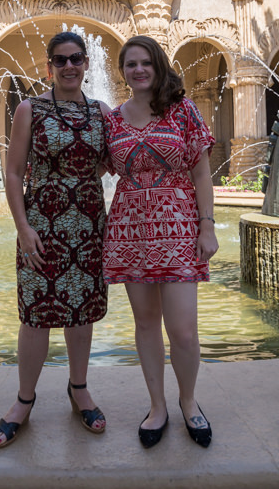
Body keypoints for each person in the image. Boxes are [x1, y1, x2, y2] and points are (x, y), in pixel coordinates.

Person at [0, 27, 112, 448]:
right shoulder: (30, 109)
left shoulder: (100, 112)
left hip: (88, 227)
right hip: (41, 228)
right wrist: (23, 228)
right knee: (37, 315)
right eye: (60, 60)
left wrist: (78, 188)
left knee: (80, 313)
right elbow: (13, 173)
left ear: (86, 63)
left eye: (76, 58)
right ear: (49, 66)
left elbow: (103, 165)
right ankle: (25, 400)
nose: (69, 66)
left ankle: (79, 389)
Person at [102, 35, 218, 449]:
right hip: (130, 230)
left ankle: (188, 402)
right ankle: (157, 406)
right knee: (146, 324)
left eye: (145, 62)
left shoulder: (182, 110)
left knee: (183, 331)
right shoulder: (112, 119)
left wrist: (207, 225)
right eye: (130, 64)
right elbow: (93, 167)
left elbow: (202, 172)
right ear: (123, 70)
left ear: (158, 65)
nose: (138, 70)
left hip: (179, 227)